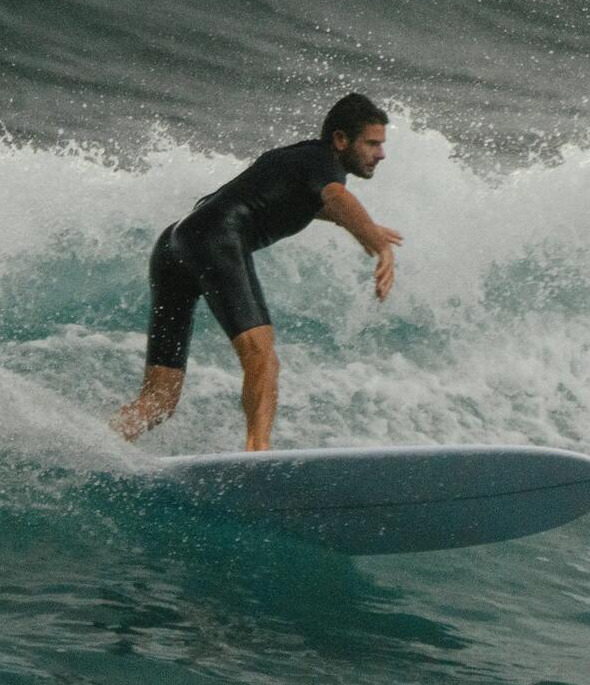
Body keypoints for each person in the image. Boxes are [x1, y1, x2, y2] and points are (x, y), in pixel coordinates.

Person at [112, 93, 401, 452]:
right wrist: (377, 243)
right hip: (215, 239)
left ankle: (102, 441)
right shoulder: (323, 163)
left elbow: (299, 202)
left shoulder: (299, 162)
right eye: (372, 143)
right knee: (263, 357)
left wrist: (364, 226)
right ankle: (257, 454)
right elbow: (336, 198)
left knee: (159, 400)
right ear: (341, 140)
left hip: (174, 246)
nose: (381, 154)